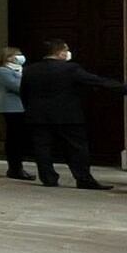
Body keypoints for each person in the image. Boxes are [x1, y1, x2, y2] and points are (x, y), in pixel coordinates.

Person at [22, 39, 125, 191]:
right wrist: (122, 88)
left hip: (38, 115)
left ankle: (48, 178)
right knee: (77, 149)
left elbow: (24, 93)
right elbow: (96, 81)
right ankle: (83, 179)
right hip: (67, 115)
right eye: (66, 50)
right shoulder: (70, 69)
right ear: (60, 52)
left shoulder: (30, 69)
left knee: (42, 148)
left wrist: (31, 110)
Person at [0, 47, 31, 181]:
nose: (20, 57)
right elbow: (17, 86)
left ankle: (18, 167)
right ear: (8, 57)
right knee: (14, 138)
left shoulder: (21, 71)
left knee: (20, 139)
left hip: (22, 108)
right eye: (16, 55)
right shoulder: (2, 71)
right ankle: (15, 168)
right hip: (11, 108)